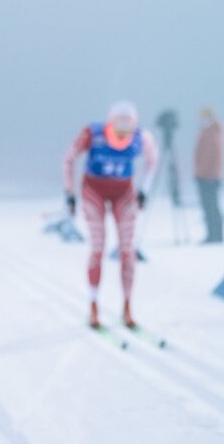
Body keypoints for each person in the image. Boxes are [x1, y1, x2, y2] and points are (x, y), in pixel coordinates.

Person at [63, 101, 159, 329]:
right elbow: (69, 159)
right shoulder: (92, 134)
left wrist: (144, 189)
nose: (123, 129)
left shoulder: (142, 138)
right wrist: (70, 192)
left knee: (128, 249)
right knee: (98, 246)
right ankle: (93, 305)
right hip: (93, 191)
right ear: (110, 121)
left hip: (124, 192)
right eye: (119, 122)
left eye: (129, 124)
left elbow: (153, 160)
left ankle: (127, 306)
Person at [194, 106, 224, 244]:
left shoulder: (210, 133)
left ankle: (214, 235)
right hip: (211, 176)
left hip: (208, 177)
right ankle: (214, 234)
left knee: (210, 207)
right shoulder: (213, 132)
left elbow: (207, 156)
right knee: (212, 207)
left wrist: (200, 172)